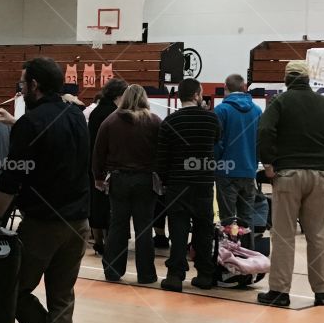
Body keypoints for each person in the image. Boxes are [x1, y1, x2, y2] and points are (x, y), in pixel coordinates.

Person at [0, 57, 90, 323]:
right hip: (78, 222)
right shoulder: (75, 116)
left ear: (35, 86)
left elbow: (11, 179)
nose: (20, 87)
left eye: (22, 82)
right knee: (62, 302)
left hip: (43, 223)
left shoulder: (31, 123)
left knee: (13, 290)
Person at [256, 60, 324, 307]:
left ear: (287, 78)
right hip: (319, 175)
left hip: (288, 174)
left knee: (284, 235)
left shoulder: (280, 102)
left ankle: (279, 292)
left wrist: (268, 162)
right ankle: (322, 292)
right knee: (317, 234)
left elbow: (265, 130)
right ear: (308, 79)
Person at [92, 84, 161, 285]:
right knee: (144, 228)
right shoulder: (154, 121)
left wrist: (98, 177)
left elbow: (98, 153)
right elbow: (163, 151)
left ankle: (113, 271)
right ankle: (146, 275)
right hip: (146, 180)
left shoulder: (110, 121)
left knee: (117, 226)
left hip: (118, 180)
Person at [156, 78, 221, 292]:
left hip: (177, 184)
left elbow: (162, 158)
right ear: (196, 95)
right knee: (204, 230)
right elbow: (216, 142)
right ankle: (204, 275)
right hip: (203, 182)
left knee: (178, 230)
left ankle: (175, 276)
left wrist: (165, 182)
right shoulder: (211, 120)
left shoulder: (169, 122)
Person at [213, 74, 261, 246]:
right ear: (244, 87)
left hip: (226, 172)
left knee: (227, 220)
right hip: (248, 171)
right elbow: (259, 143)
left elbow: (217, 143)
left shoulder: (221, 110)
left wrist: (216, 163)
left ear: (226, 87)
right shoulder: (257, 111)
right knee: (247, 220)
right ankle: (248, 260)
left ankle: (229, 263)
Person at [86, 78, 127, 256]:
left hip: (94, 164)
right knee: (112, 207)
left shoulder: (95, 112)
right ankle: (112, 243)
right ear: (119, 95)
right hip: (112, 166)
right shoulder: (116, 115)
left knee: (96, 204)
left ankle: (99, 242)